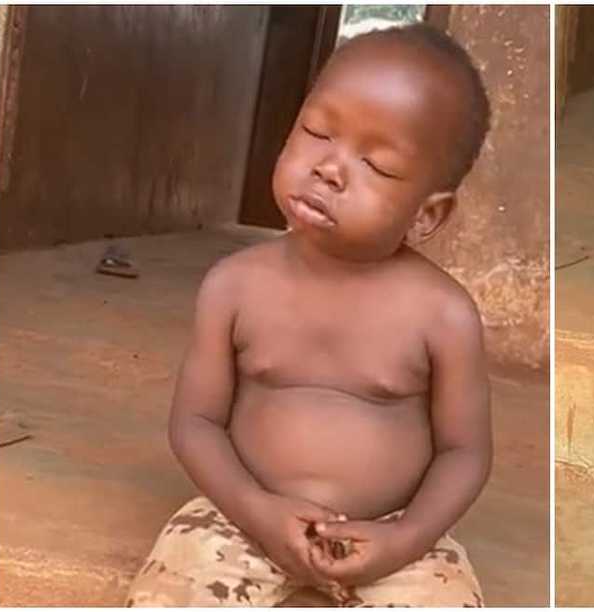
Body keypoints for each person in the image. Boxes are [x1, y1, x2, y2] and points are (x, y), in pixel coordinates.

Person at [127, 23, 493, 606]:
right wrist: (257, 512)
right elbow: (194, 424)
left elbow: (464, 452)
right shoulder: (233, 287)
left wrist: (405, 538)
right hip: (241, 519)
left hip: (393, 533)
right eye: (317, 131)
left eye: (378, 165)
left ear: (428, 215)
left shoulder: (443, 316)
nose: (329, 167)